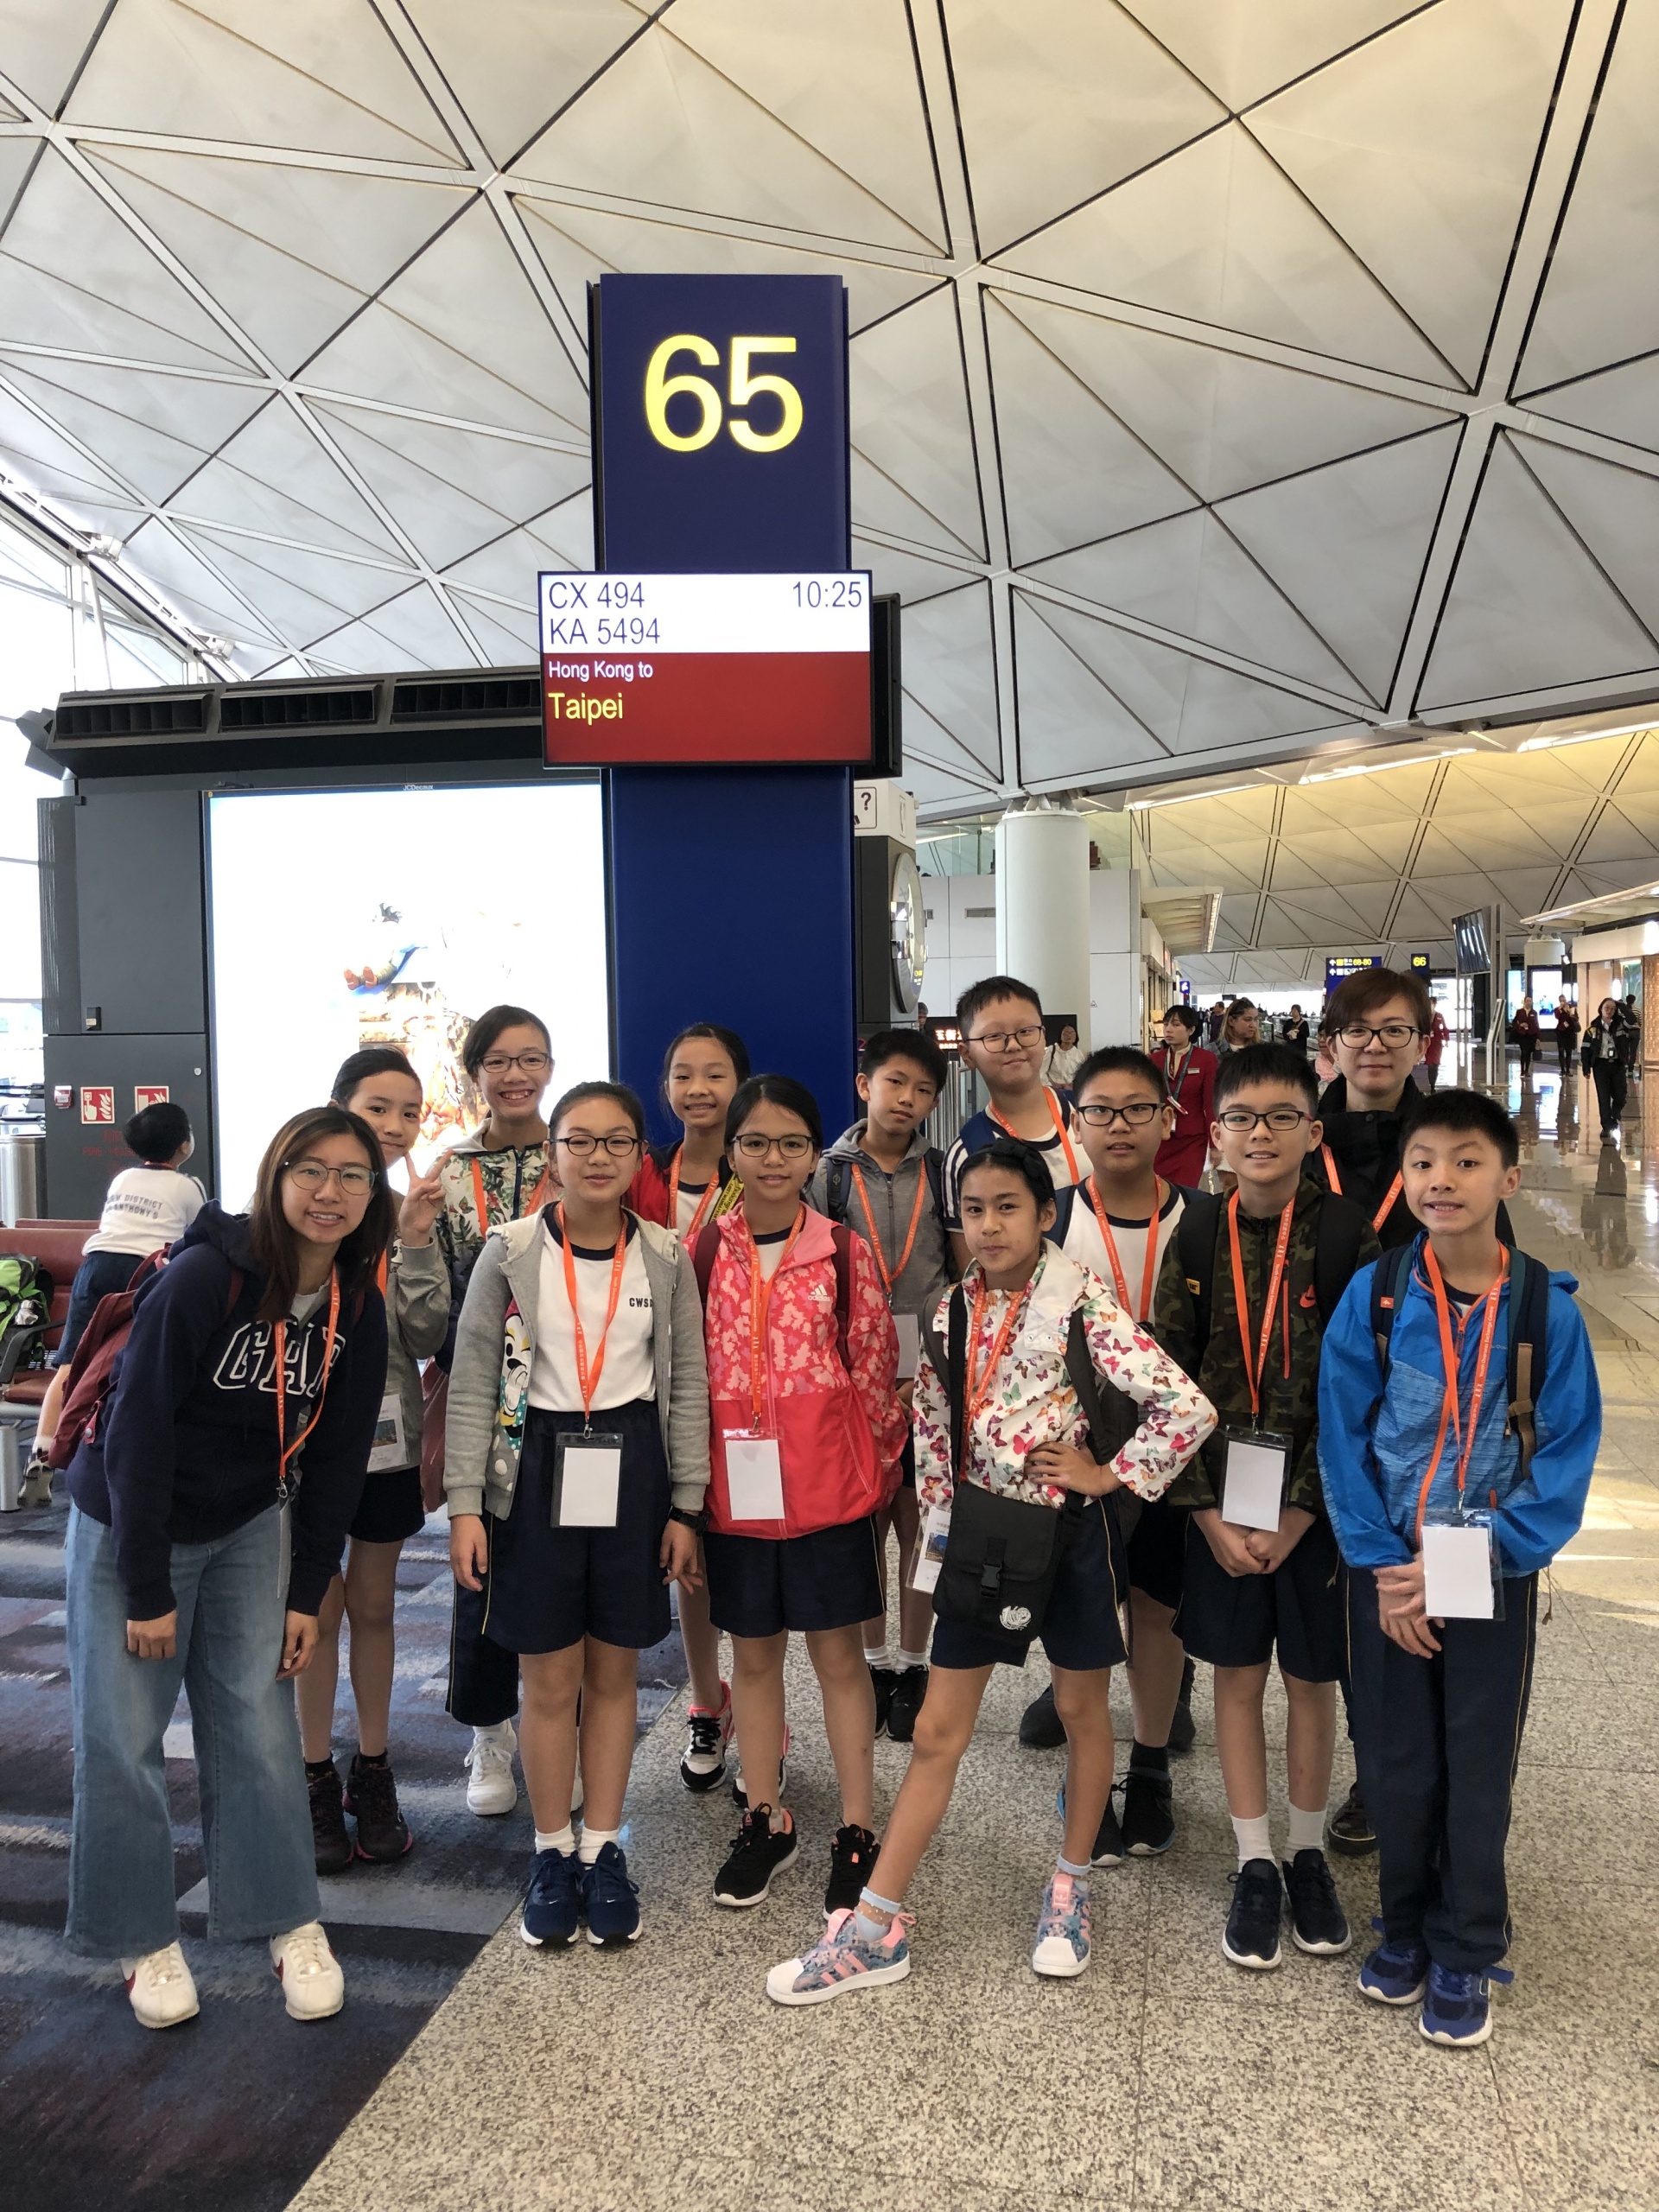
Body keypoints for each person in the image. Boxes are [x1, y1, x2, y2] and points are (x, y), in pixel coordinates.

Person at [764, 1141, 1214, 2004]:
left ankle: (1070, 1887)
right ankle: (874, 1928)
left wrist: (1108, 1474)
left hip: (1071, 1537)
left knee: (1081, 1709)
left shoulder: (1082, 1300)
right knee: (939, 1728)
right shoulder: (951, 1309)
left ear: (1045, 1214)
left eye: (1008, 1206)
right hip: (983, 1538)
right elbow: (935, 1430)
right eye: (973, 1209)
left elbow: (1185, 1405)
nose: (990, 1225)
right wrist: (939, 1537)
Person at [62, 1105, 391, 2029]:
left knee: (256, 1725)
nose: (329, 1192)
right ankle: (141, 1935)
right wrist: (146, 1586)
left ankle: (286, 1918)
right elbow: (137, 1431)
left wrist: (305, 1591)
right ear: (274, 1177)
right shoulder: (209, 1276)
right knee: (122, 1737)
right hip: (134, 1520)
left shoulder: (356, 1302)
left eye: (352, 1175)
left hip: (250, 1521)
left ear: (373, 1194)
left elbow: (339, 1458)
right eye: (309, 1170)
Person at [1319, 1090, 1599, 2047]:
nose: (1443, 1179)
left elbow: (1562, 1463)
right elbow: (1341, 1434)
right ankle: (1402, 1924)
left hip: (1487, 1566)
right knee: (1395, 1757)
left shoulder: (1545, 1312)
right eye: (1424, 1162)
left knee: (1477, 1761)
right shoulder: (1379, 1294)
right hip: (1390, 1565)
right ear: (1405, 1178)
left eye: (1468, 1160)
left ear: (1509, 1178)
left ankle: (1467, 1942)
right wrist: (1382, 1564)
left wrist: (1471, 1560)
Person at [444, 1080, 710, 1950]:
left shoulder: (664, 1255)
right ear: (552, 1154)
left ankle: (603, 1848)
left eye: (617, 1141)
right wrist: (465, 1506)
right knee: (549, 1678)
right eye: (580, 1141)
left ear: (640, 1155)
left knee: (615, 1673)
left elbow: (686, 1384)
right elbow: (473, 1383)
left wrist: (687, 1505)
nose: (599, 1157)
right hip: (532, 1469)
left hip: (632, 1466)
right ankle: (551, 1850)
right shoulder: (511, 1250)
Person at [1155, 1044, 1379, 1971]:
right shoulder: (1196, 1235)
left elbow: (1366, 1393)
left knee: (1312, 1680)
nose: (1260, 1133)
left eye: (1282, 1117)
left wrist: (1302, 1513)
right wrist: (1205, 1513)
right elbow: (1166, 1385)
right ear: (1216, 1136)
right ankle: (1255, 1860)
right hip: (1219, 1503)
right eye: (1242, 1118)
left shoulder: (1349, 1238)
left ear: (1313, 1132)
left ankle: (1307, 1850)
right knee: (1238, 1675)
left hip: (1316, 1510)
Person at [696, 1075, 906, 1916]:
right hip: (736, 1497)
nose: (773, 1159)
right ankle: (764, 1815)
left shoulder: (842, 1252)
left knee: (839, 1659)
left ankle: (857, 1828)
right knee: (752, 1657)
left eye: (791, 1143)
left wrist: (875, 1477)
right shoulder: (704, 1253)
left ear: (815, 1154)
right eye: (755, 1143)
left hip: (827, 1494)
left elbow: (876, 1369)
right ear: (731, 1153)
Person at [1032, 1046, 1198, 1850]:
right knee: (1088, 1604)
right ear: (1076, 1122)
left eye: (1139, 1109)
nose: (1119, 1126)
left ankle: (1152, 1761)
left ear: (1168, 1119)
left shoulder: (1204, 1219)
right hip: (1079, 1448)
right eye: (1100, 1110)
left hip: (1174, 1446)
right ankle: (1087, 1764)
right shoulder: (1053, 1219)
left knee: (1159, 1611)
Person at [298, 1050, 451, 1874]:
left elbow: (425, 1337)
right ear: (338, 1106)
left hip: (387, 1443)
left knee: (376, 1606)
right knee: (313, 1611)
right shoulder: (301, 1209)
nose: (394, 1126)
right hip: (303, 1441)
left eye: (408, 1112)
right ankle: (314, 1774)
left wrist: (417, 1241)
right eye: (377, 1108)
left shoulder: (403, 1213)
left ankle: (374, 1767)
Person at [433, 1004, 558, 1819]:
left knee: (564, 1562)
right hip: (485, 1392)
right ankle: (491, 1732)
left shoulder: (577, 1150)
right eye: (500, 1062)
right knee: (481, 1561)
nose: (516, 1076)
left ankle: (561, 1730)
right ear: (475, 1072)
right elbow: (440, 1298)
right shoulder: (449, 1172)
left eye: (532, 1059)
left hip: (573, 1389)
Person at [812, 1028, 955, 1745]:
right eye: (895, 1082)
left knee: (921, 1524)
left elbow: (961, 1270)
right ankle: (873, 1664)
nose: (908, 1099)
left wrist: (937, 1363)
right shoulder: (829, 1174)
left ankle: (915, 1663)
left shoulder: (945, 1170)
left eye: (923, 1090)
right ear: (865, 1084)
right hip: (852, 1377)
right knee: (865, 1524)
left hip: (930, 1374)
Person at [627, 1022, 749, 1793]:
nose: (698, 1088)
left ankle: (762, 1707)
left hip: (739, 1387)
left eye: (715, 1074)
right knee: (687, 1557)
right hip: (653, 1386)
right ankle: (709, 1701)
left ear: (741, 1083)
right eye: (682, 1074)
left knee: (750, 1559)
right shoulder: (643, 1172)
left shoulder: (761, 1167)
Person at [943, 976, 1084, 1269]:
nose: (1014, 1045)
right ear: (967, 1053)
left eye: (1026, 1031)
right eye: (994, 1036)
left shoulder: (1088, 1116)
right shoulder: (967, 1153)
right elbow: (975, 1275)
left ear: (1043, 1037)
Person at [53, 1102, 204, 1366]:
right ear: (184, 1145)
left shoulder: (122, 1178)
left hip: (96, 1265)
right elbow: (199, 1239)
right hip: (146, 1270)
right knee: (142, 1358)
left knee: (75, 1359)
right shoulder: (188, 1186)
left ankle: (60, 1394)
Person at [1151, 1005, 1217, 1191]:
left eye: (1176, 1024)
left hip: (1192, 1139)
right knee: (1159, 1189)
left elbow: (1210, 1104)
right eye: (1166, 1024)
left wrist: (1214, 1145)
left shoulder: (1206, 1059)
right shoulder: (1155, 1060)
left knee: (1186, 1189)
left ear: (1191, 1029)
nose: (1168, 1029)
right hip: (1161, 1137)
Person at [1582, 997, 1629, 1139]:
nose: (1609, 1011)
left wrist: (1622, 1007)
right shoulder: (1593, 1028)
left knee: (1621, 1095)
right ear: (1601, 1009)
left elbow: (1632, 1020)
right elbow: (1585, 1049)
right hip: (1600, 1065)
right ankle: (1606, 1126)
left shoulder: (1621, 1025)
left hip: (1617, 1064)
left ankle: (1615, 1113)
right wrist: (1586, 1067)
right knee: (1604, 1097)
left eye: (1613, 1009)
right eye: (1607, 1008)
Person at [1044, 1022, 1085, 1088]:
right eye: (1066, 1033)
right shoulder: (1051, 1051)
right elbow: (1042, 1072)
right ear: (1061, 1035)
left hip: (1072, 1090)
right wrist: (1052, 1085)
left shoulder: (1079, 1054)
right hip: (1054, 1088)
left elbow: (1082, 1075)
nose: (1069, 1035)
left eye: (1072, 1033)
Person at [1512, 995, 1540, 1081]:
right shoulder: (1520, 1012)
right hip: (1523, 1035)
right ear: (1524, 1002)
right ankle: (1522, 1070)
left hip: (1531, 1035)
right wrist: (1520, 1025)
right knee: (1524, 1052)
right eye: (1527, 1001)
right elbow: (1514, 1022)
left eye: (1530, 1001)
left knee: (1529, 1053)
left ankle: (1527, 1070)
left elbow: (1536, 1024)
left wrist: (1538, 1037)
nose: (1529, 1003)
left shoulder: (1534, 1012)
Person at [1422, 1006, 1450, 1090]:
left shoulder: (1439, 1016)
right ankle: (1432, 1085)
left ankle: (1433, 1084)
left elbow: (1444, 1028)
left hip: (1437, 1044)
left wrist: (1446, 1039)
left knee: (1436, 1063)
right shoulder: (1424, 1017)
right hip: (1428, 1042)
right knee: (1430, 1064)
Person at [1554, 996, 1580, 1076]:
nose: (1563, 1002)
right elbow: (1557, 1016)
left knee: (1569, 1052)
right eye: (1561, 1001)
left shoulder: (1571, 1008)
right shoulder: (1557, 1009)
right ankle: (1562, 1070)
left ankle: (1568, 1070)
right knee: (1561, 1052)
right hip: (1561, 1032)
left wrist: (1570, 1014)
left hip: (1570, 1032)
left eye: (1564, 1000)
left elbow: (1576, 1018)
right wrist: (1560, 1009)